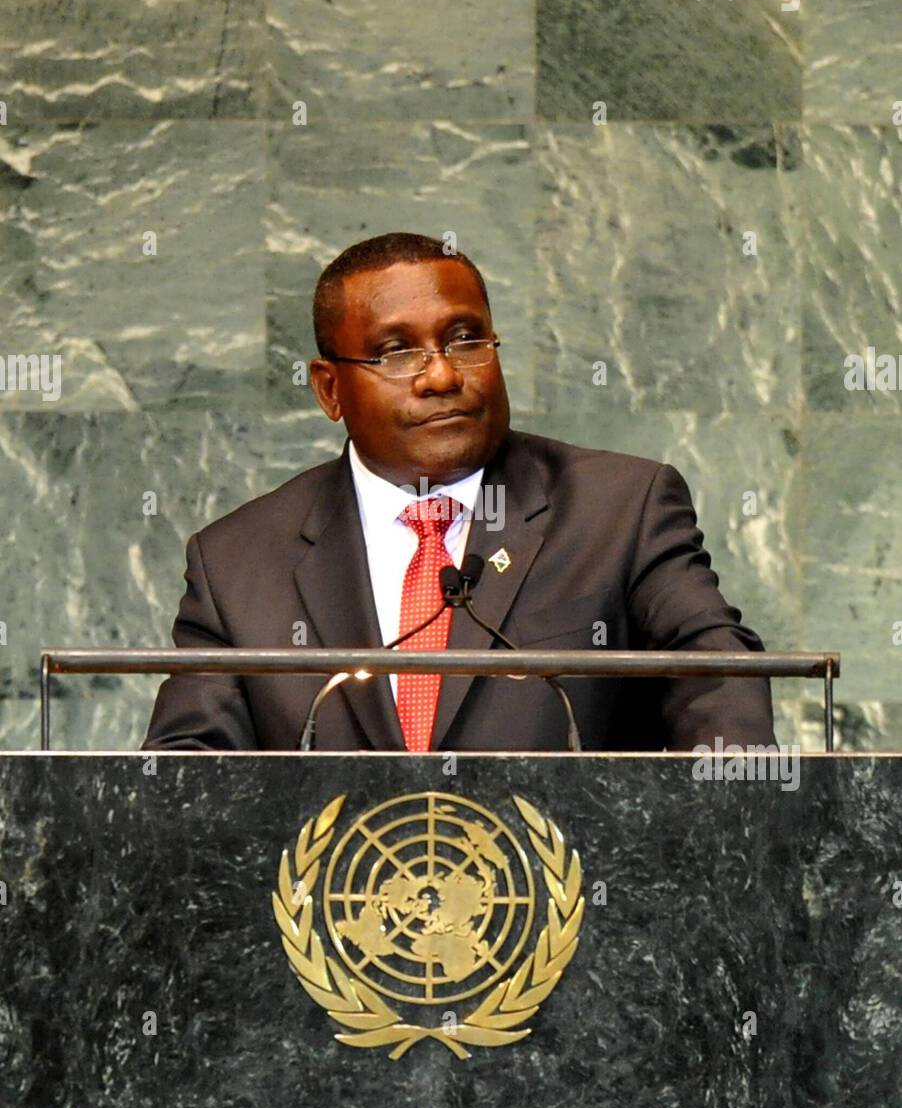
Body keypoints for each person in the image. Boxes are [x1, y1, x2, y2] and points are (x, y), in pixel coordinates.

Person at [141, 232, 776, 753]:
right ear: (330, 390)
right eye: (395, 353)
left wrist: (714, 838)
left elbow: (718, 673)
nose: (442, 375)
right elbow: (188, 782)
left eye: (465, 339)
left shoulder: (620, 509)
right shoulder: (237, 563)